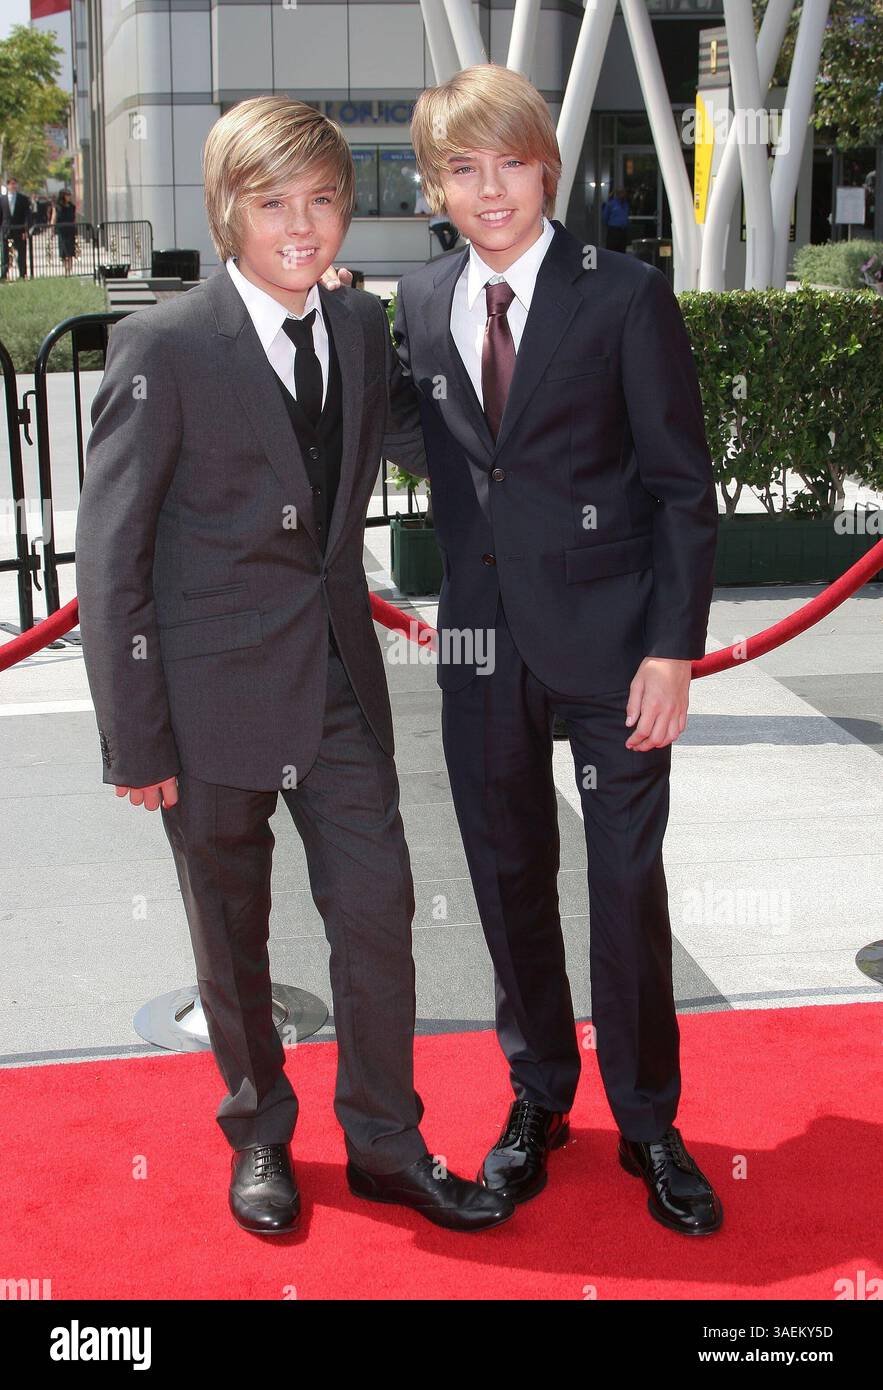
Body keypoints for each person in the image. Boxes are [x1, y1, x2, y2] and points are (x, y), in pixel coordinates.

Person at [75, 95, 514, 1238]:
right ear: (229, 212)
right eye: (275, 204)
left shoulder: (362, 333)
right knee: (232, 936)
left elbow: (438, 441)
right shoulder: (164, 347)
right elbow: (112, 556)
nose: (304, 226)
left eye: (323, 200)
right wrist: (135, 738)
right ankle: (260, 1134)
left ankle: (382, 1140)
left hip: (334, 689)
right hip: (205, 697)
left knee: (375, 912)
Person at [325, 62, 722, 1236]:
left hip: (613, 651)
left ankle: (649, 1120)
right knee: (507, 882)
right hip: (482, 647)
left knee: (624, 886)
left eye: (509, 163)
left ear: (547, 167)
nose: (488, 189)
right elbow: (432, 442)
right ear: (434, 186)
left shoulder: (623, 294)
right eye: (461, 169)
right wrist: (340, 329)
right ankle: (538, 1096)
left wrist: (670, 651)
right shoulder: (417, 297)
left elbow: (681, 490)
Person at [415, 181, 460, 252]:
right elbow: (417, 214)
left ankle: (448, 251)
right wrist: (430, 214)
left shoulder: (440, 198)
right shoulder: (421, 200)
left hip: (446, 221)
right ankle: (448, 252)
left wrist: (446, 211)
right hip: (435, 222)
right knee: (440, 234)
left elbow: (451, 209)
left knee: (456, 232)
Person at [1, 178, 32, 280]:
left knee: (21, 253)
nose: (14, 186)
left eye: (15, 184)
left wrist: (26, 230)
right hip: (6, 230)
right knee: (5, 253)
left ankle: (23, 274)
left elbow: (27, 216)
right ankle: (4, 274)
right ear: (8, 185)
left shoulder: (23, 199)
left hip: (19, 230)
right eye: (11, 184)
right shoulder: (2, 199)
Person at [51, 189, 77, 274]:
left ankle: (69, 270)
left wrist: (76, 228)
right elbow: (53, 218)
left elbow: (74, 219)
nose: (69, 197)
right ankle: (66, 269)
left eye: (70, 195)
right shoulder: (57, 207)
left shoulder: (72, 206)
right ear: (63, 196)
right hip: (62, 231)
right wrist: (52, 230)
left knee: (70, 251)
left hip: (70, 230)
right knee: (64, 251)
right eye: (67, 195)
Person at [601, 185, 630, 252]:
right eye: (620, 192)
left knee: (622, 251)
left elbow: (626, 216)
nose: (622, 194)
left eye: (623, 192)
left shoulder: (626, 204)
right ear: (617, 194)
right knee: (612, 251)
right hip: (614, 231)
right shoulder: (611, 204)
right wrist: (609, 226)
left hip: (623, 231)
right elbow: (605, 217)